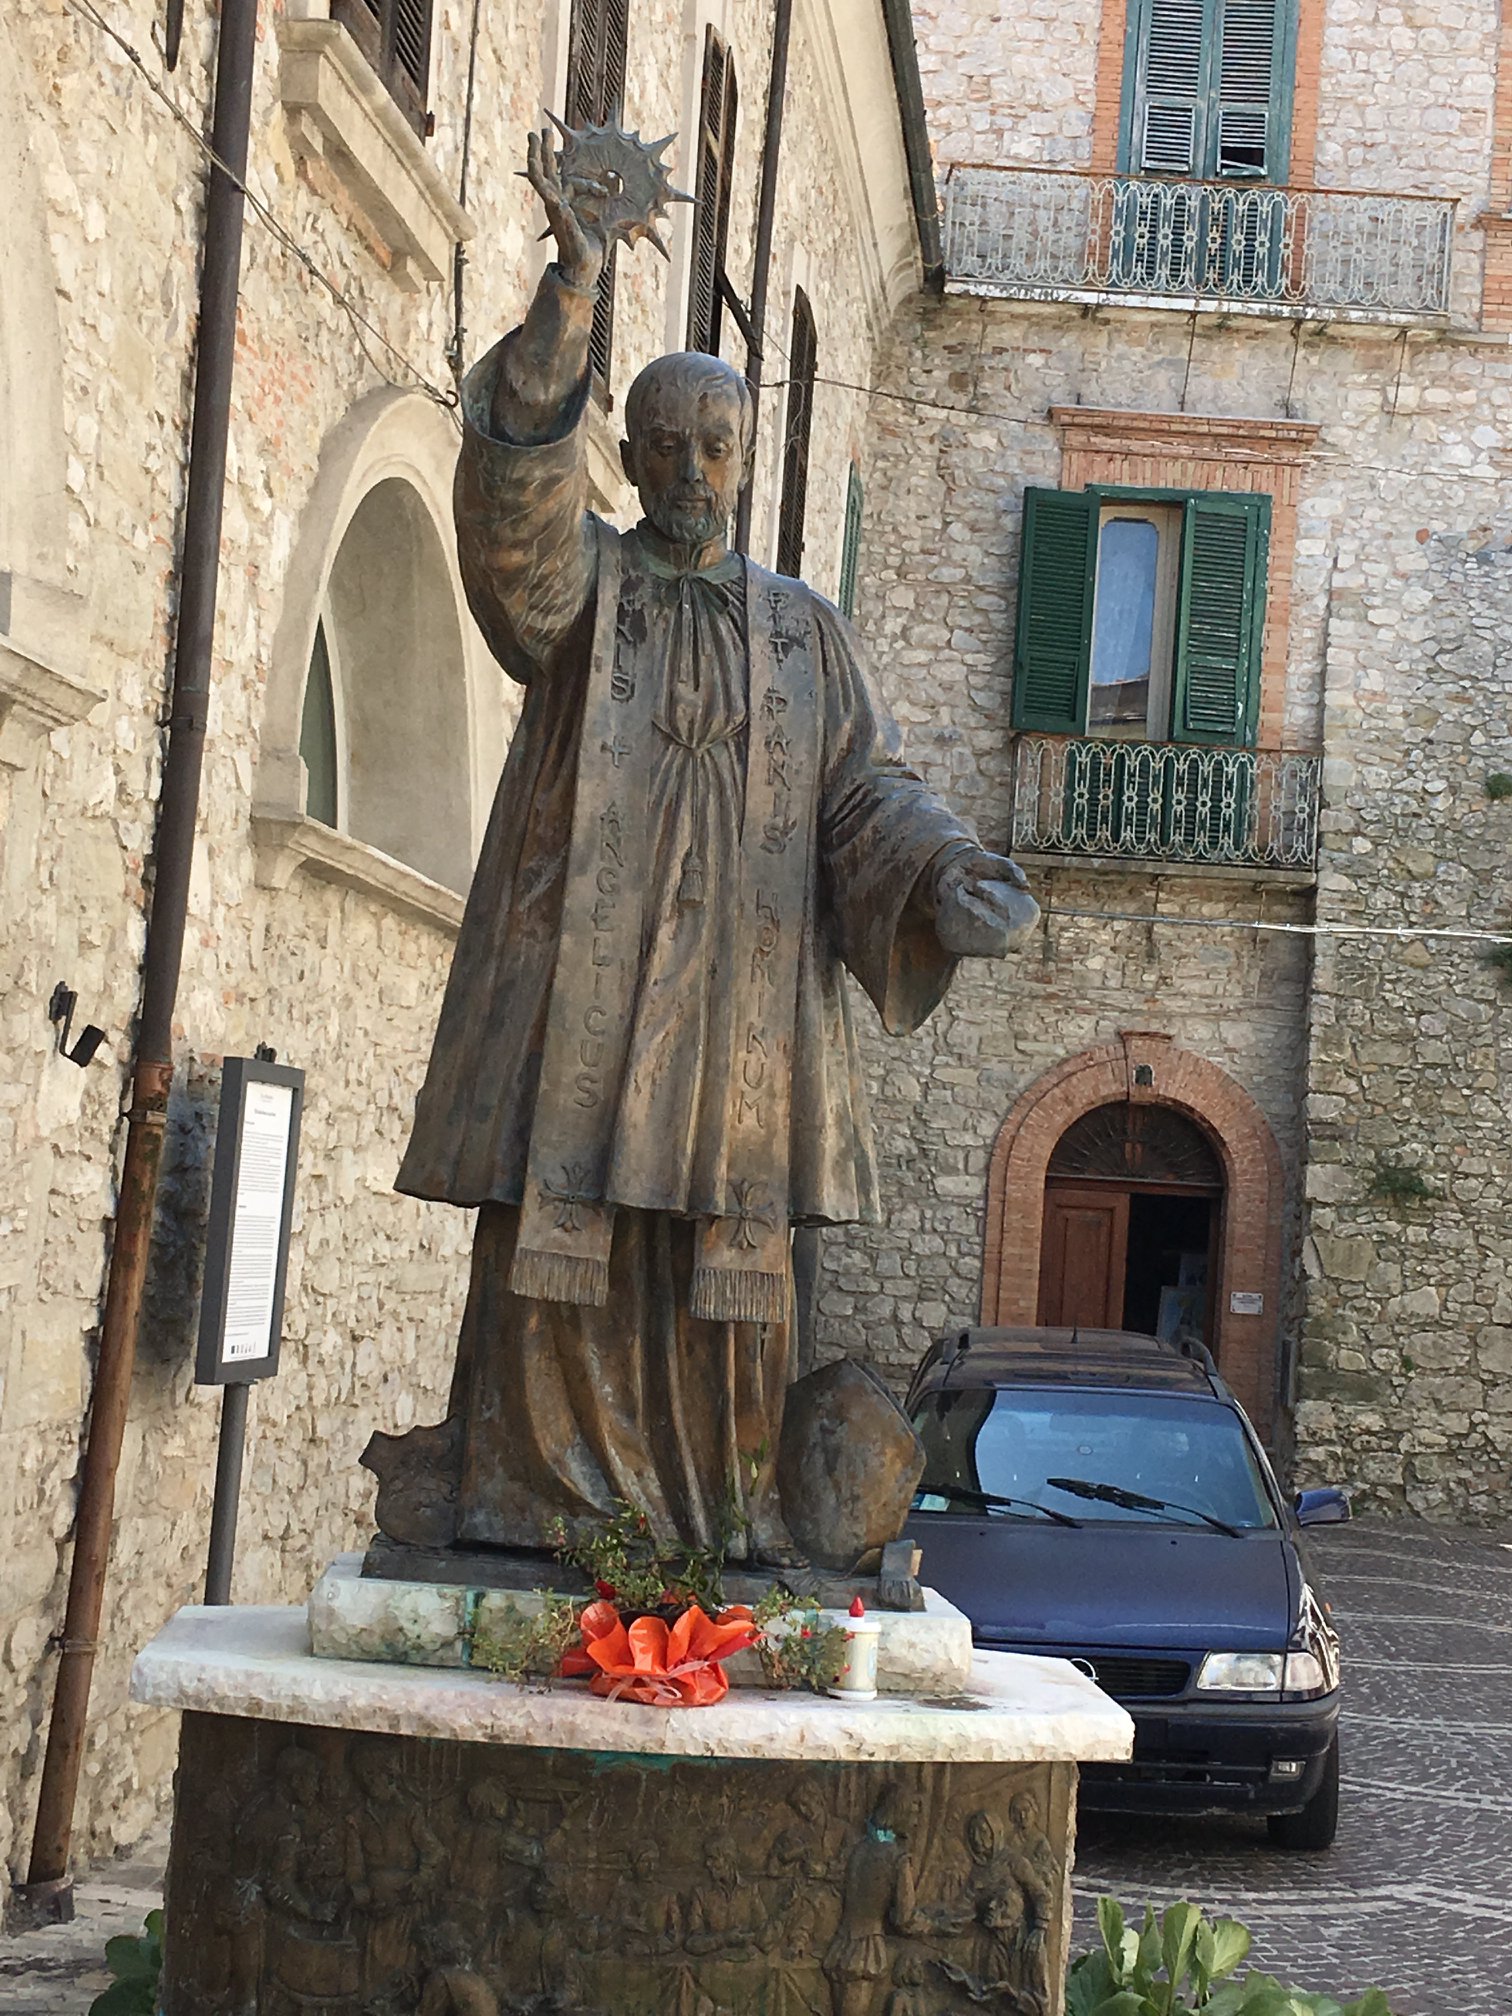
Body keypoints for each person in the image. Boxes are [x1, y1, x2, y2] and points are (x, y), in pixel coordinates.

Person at [372, 124, 1037, 1565]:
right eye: (664, 444)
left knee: (725, 1284)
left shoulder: (806, 633)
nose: (689, 468)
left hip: (739, 1017)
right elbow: (512, 530)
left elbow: (867, 796)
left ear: (746, 461)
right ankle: (534, 1506)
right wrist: (571, 294)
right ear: (630, 455)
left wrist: (941, 875)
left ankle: (719, 1518)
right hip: (583, 994)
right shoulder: (587, 590)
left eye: (715, 446)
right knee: (558, 1258)